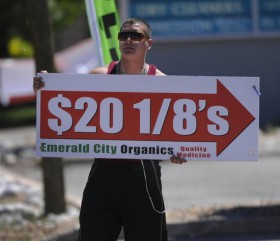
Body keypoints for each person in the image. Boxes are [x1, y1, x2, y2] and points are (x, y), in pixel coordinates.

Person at [34, 18, 186, 241]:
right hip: (104, 174)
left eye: (136, 36)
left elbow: (176, 132)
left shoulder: (162, 82)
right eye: (123, 36)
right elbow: (69, 104)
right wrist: (44, 91)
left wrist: (179, 151)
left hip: (144, 176)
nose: (128, 40)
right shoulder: (101, 76)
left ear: (148, 43)